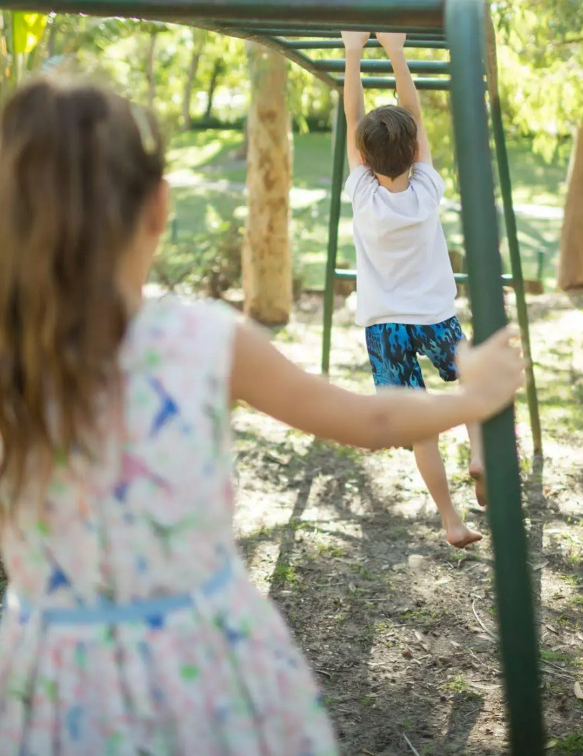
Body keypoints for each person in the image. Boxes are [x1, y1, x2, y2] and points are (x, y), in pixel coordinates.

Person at [0, 76, 523, 755]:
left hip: (48, 684)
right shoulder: (202, 340)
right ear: (158, 208)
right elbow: (369, 421)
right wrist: (473, 399)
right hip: (200, 663)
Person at [341, 30, 489, 549]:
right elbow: (415, 116)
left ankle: (450, 519)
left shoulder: (362, 192)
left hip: (385, 325)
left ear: (363, 152)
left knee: (419, 425)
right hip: (434, 313)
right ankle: (479, 453)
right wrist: (397, 52)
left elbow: (351, 114)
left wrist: (353, 51)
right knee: (473, 379)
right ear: (415, 151)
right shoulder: (427, 188)